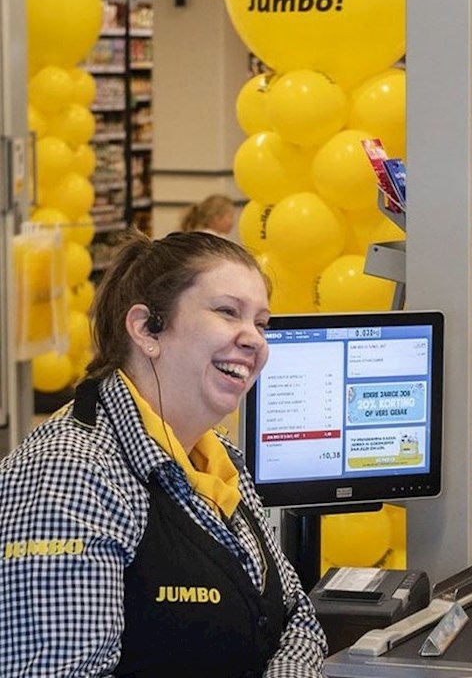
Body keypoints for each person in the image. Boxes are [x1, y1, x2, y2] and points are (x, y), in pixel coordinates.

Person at [0, 231, 327, 675]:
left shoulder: (221, 461)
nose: (254, 339)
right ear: (146, 329)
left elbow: (297, 616)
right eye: (228, 312)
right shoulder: (69, 474)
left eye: (262, 323)